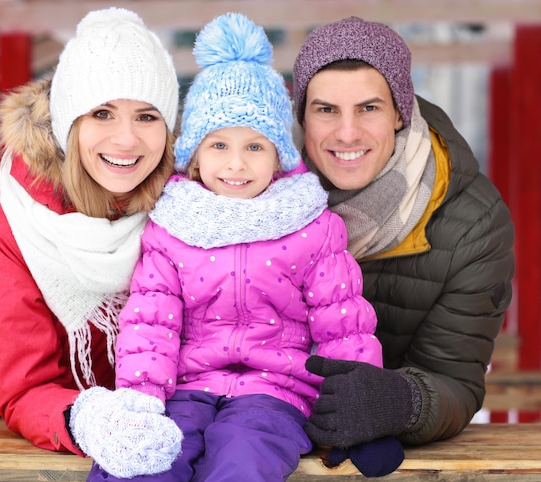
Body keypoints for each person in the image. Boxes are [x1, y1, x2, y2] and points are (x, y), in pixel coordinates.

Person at [87, 13, 404, 482]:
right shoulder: (172, 226)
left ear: (279, 154)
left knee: (243, 458)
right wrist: (141, 402)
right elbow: (151, 322)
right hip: (185, 388)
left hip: (276, 392)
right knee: (145, 460)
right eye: (218, 146)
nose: (236, 164)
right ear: (194, 154)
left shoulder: (310, 227)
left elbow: (342, 325)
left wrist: (360, 413)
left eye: (255, 147)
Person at [0, 7, 184, 479]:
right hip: (40, 441)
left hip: (171, 430)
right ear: (68, 123)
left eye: (146, 116)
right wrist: (89, 418)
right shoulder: (12, 233)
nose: (126, 139)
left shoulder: (184, 209)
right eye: (102, 113)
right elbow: (25, 389)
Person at [292, 16, 515, 451]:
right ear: (302, 115)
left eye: (368, 108)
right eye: (326, 110)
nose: (347, 133)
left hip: (378, 450)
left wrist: (405, 402)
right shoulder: (252, 187)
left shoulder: (471, 224)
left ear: (400, 111)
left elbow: (454, 379)